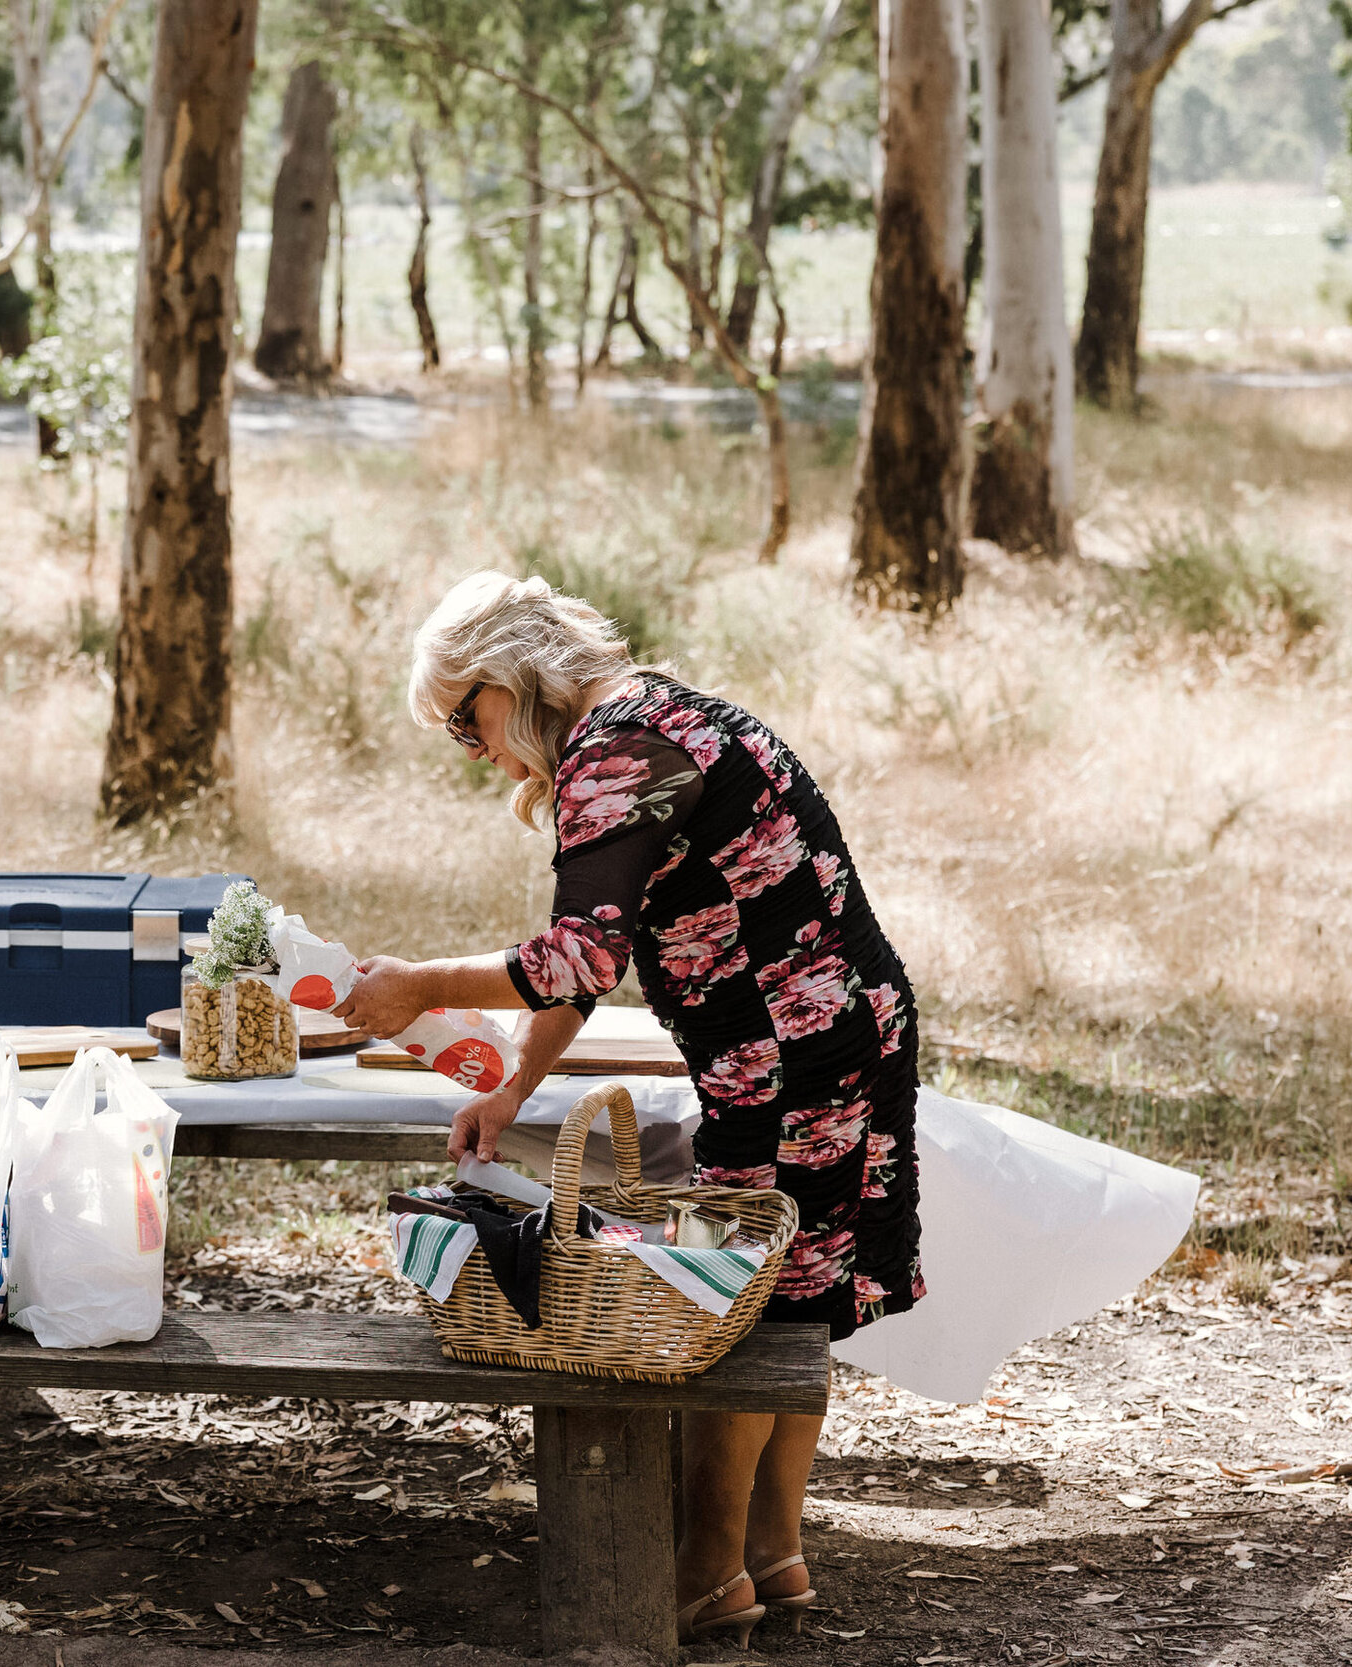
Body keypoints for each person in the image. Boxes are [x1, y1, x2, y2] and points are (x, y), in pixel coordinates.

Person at [333, 571, 922, 1649]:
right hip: (846, 1027)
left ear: (512, 677)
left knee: (740, 1300)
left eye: (467, 719)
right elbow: (597, 957)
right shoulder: (663, 712)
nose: (473, 752)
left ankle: (704, 1570)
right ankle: (769, 1554)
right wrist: (514, 1079)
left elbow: (574, 954)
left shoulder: (613, 750)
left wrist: (418, 983)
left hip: (786, 1051)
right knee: (794, 1296)